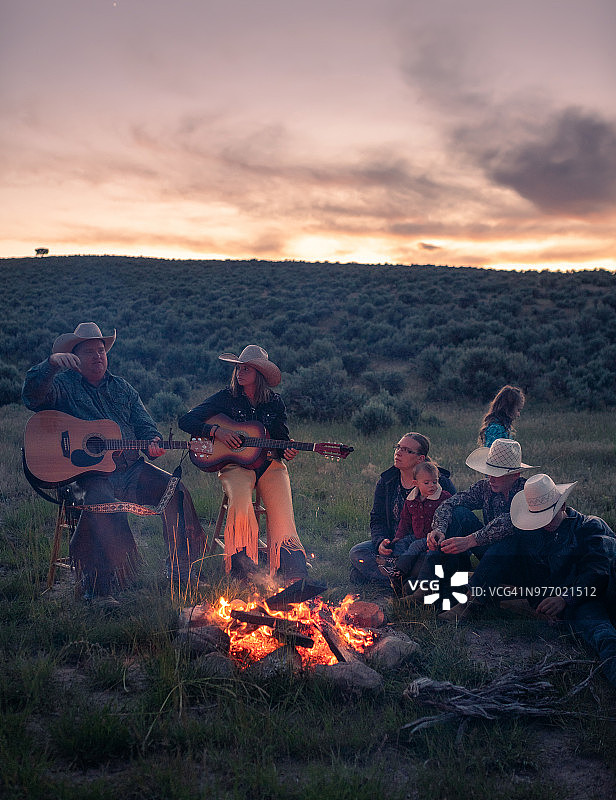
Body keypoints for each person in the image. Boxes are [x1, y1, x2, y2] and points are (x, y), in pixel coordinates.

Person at [22, 322, 207, 603]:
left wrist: (153, 442)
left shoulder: (123, 388)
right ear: (74, 356)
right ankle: (99, 588)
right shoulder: (62, 385)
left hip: (130, 469)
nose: (97, 356)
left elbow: (145, 426)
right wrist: (49, 366)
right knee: (103, 504)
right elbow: (31, 398)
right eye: (89, 351)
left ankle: (183, 572)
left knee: (176, 492)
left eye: (101, 350)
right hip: (87, 477)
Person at [440, 474, 616, 686]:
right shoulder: (533, 532)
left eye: (547, 516)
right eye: (538, 517)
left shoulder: (590, 528)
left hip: (591, 597)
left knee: (603, 635)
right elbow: (536, 577)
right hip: (554, 599)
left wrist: (565, 600)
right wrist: (545, 607)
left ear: (563, 506)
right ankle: (475, 593)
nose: (544, 523)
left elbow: (598, 573)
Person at [178, 345, 307, 584]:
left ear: (259, 374)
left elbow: (281, 438)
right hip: (235, 465)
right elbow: (186, 420)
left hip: (268, 463)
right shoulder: (225, 397)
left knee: (282, 507)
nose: (240, 373)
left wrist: (286, 450)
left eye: (246, 369)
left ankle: (290, 568)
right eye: (238, 368)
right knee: (240, 500)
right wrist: (217, 432)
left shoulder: (274, 403)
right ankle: (243, 568)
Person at [418, 438, 535, 601]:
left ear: (515, 475)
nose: (491, 478)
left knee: (507, 541)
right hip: (489, 553)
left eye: (498, 474)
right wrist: (439, 529)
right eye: (489, 472)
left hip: (520, 561)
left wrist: (471, 540)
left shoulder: (528, 491)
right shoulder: (485, 487)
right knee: (459, 513)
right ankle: (432, 584)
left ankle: (472, 600)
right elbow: (450, 503)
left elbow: (510, 522)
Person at [349, 432, 456, 588]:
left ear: (421, 458)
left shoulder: (438, 482)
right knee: (357, 552)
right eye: (398, 447)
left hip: (425, 546)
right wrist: (381, 542)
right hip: (395, 543)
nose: (399, 452)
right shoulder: (387, 481)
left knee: (424, 561)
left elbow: (456, 515)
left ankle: (385, 575)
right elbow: (377, 518)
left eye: (407, 450)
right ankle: (402, 580)